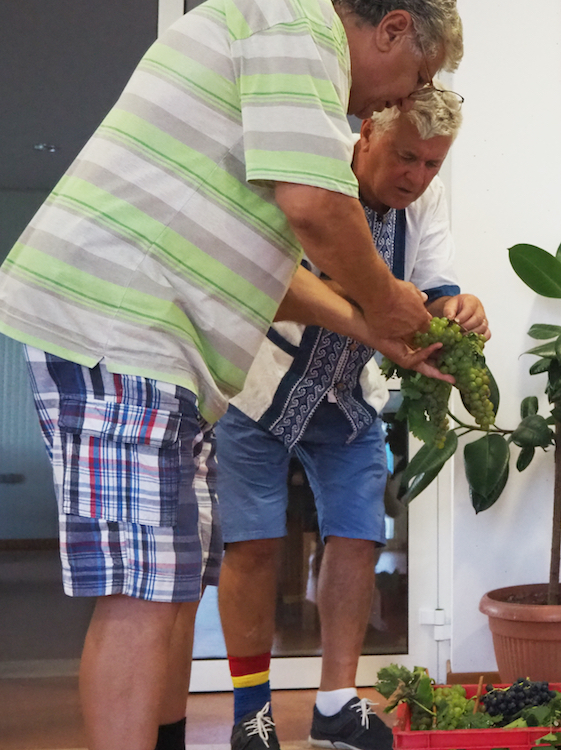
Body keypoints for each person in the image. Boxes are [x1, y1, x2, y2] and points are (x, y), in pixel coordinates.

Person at [0, 1, 463, 748]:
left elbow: (261, 268)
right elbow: (314, 208)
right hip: (120, 324)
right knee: (141, 591)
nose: (404, 98)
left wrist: (365, 322)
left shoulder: (286, 47)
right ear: (392, 28)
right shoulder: (298, 27)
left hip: (159, 346)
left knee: (174, 586)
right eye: (416, 75)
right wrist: (384, 301)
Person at [216, 86, 485, 750]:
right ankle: (251, 710)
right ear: (365, 135)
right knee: (252, 543)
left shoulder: (427, 198)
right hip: (259, 382)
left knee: (359, 533)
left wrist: (461, 309)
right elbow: (262, 280)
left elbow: (435, 284)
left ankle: (336, 701)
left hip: (348, 392)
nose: (415, 178)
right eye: (404, 158)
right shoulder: (310, 172)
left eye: (430, 166)